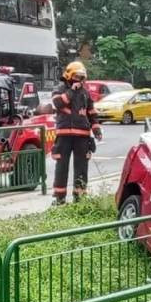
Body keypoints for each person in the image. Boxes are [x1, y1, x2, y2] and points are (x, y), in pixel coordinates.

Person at [51, 61, 102, 204]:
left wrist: (96, 129)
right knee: (61, 167)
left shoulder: (85, 93)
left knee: (81, 168)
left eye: (81, 76)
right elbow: (58, 103)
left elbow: (91, 112)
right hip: (64, 135)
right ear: (69, 75)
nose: (79, 79)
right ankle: (59, 197)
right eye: (76, 76)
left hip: (82, 136)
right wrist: (72, 91)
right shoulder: (60, 89)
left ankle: (79, 197)